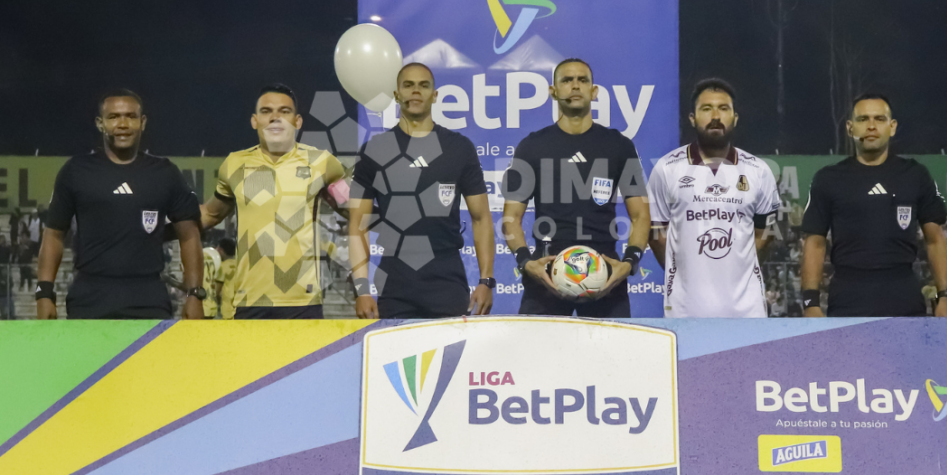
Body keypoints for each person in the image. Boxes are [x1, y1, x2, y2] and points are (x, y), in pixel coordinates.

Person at [36, 90, 204, 320]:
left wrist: (195, 295)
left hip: (149, 299)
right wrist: (44, 293)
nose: (123, 124)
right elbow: (54, 234)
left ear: (142, 122)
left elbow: (189, 235)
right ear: (100, 123)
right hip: (89, 298)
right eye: (114, 117)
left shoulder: (165, 173)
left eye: (130, 116)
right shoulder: (75, 171)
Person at [501, 58, 650, 317]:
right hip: (546, 275)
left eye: (582, 80)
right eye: (567, 80)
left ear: (594, 91)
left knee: (610, 346)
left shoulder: (619, 145)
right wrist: (526, 262)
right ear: (553, 91)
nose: (575, 85)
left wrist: (629, 263)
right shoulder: (532, 146)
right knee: (536, 346)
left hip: (605, 274)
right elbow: (511, 217)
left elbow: (640, 215)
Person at [348, 63, 494, 319]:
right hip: (395, 282)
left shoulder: (459, 148)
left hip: (447, 281)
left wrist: (487, 280)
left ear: (434, 95)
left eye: (423, 86)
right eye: (408, 85)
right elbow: (357, 225)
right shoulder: (375, 150)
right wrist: (361, 289)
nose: (416, 91)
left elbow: (481, 218)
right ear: (396, 95)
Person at [199, 84, 349, 319]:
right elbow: (210, 214)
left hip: (303, 301)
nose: (275, 117)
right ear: (255, 121)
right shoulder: (234, 164)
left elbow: (357, 209)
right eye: (266, 111)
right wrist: (164, 222)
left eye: (284, 111)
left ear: (297, 121)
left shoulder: (322, 163)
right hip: (249, 300)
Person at [801, 93, 947, 317]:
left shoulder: (915, 174)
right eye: (863, 119)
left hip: (904, 295)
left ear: (892, 127)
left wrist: (945, 297)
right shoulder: (828, 178)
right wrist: (810, 303)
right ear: (850, 128)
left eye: (879, 119)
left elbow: (935, 239)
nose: (871, 126)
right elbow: (815, 243)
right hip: (848, 297)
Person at [647, 78, 781, 317]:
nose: (716, 116)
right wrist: (684, 273)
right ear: (692, 118)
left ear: (735, 118)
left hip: (747, 312)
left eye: (723, 108)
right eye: (707, 109)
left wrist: (738, 266)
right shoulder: (667, 168)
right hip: (686, 310)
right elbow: (656, 236)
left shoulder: (758, 170)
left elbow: (764, 234)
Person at [213, 239, 238, 319]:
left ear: (221, 250)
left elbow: (217, 291)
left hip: (227, 308)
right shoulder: (240, 265)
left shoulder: (222, 267)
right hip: (239, 308)